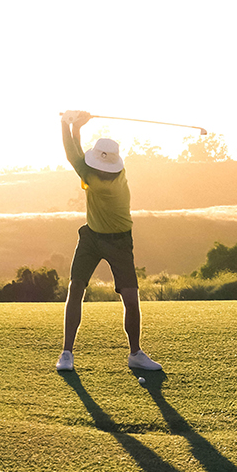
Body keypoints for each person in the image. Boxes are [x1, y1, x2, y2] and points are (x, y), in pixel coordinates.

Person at [56, 111, 163, 374]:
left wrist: (67, 123)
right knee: (77, 288)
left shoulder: (94, 178)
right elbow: (79, 156)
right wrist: (77, 128)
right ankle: (67, 352)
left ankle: (135, 354)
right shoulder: (116, 172)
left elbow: (73, 155)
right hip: (92, 237)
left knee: (129, 297)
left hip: (118, 242)